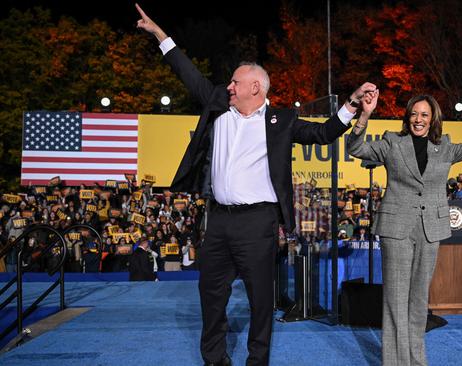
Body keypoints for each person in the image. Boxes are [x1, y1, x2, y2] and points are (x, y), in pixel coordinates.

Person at [135, 4, 376, 365]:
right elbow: (188, 73)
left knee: (261, 300)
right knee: (210, 295)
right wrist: (159, 34)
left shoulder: (283, 119)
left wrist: (352, 105)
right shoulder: (218, 104)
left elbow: (324, 133)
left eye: (234, 82)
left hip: (258, 223)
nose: (227, 86)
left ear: (255, 88)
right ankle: (215, 360)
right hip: (218, 221)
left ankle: (256, 361)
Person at [346, 71, 462, 366]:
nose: (418, 119)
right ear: (408, 117)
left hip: (431, 229)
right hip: (396, 228)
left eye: (424, 114)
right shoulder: (392, 142)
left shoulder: (445, 148)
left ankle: (416, 361)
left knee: (418, 300)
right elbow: (356, 148)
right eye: (414, 114)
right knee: (395, 298)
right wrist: (364, 116)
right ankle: (394, 362)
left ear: (433, 119)